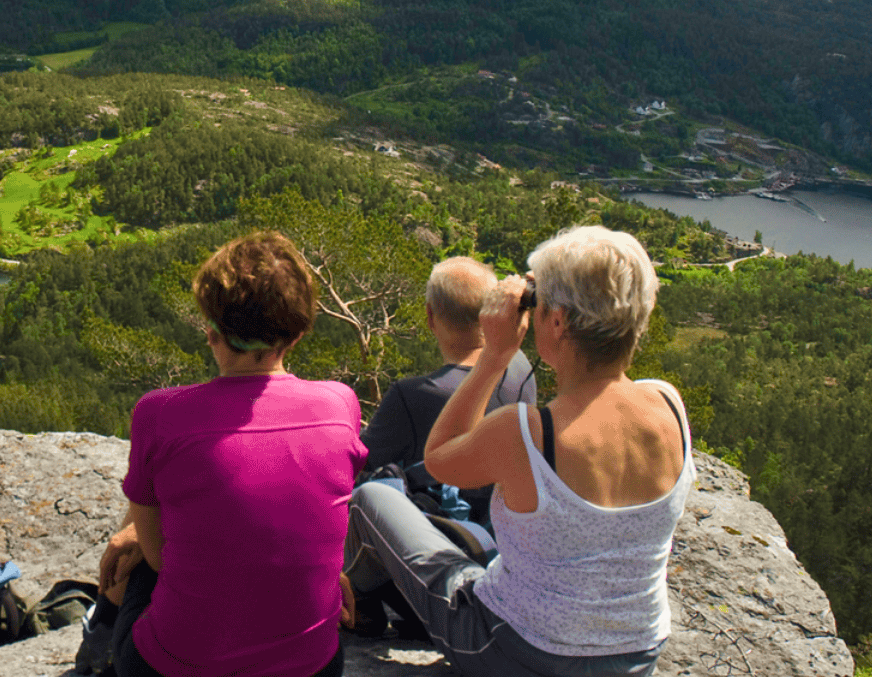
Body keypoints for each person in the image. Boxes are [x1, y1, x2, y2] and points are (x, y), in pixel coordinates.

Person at [344, 226, 694, 676]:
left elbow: (438, 457)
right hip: (636, 656)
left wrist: (494, 354)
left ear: (557, 322)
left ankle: (351, 603)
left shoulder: (530, 433)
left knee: (375, 499)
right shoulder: (668, 404)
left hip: (513, 651)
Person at [94, 232, 367, 677]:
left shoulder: (160, 413)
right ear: (296, 334)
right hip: (313, 667)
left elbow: (160, 556)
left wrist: (133, 539)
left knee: (137, 561)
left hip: (173, 668)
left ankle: (97, 635)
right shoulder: (340, 405)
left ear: (211, 330)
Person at [360, 256, 536, 526]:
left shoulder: (411, 395)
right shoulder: (519, 364)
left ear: (430, 316)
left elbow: (363, 465)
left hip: (445, 535)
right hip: (506, 524)